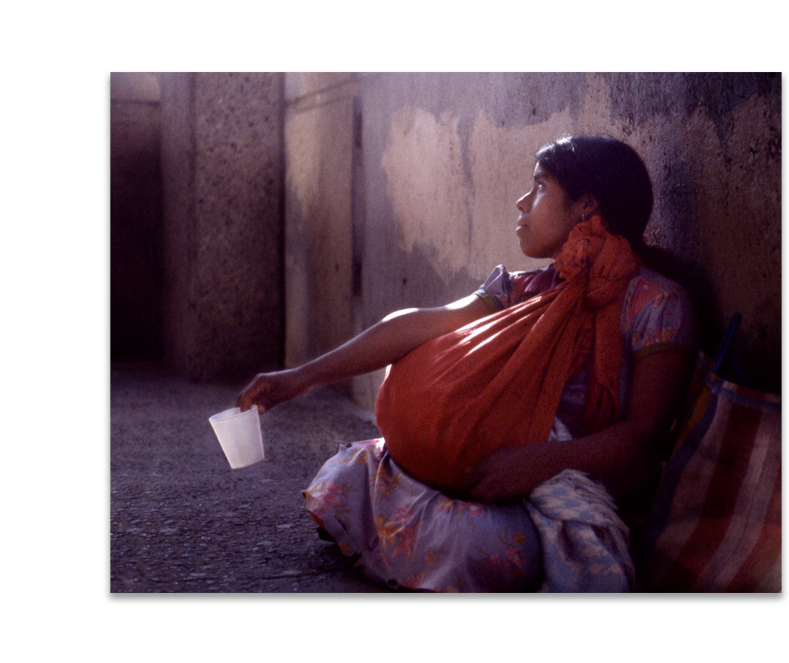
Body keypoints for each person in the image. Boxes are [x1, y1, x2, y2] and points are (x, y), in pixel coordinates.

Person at [237, 135, 697, 592]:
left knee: (479, 545)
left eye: (539, 187)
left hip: (572, 478)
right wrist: (303, 377)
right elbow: (416, 326)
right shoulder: (519, 289)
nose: (521, 202)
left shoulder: (656, 304)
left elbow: (643, 437)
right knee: (347, 474)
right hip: (496, 460)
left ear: (586, 206)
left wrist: (540, 461)